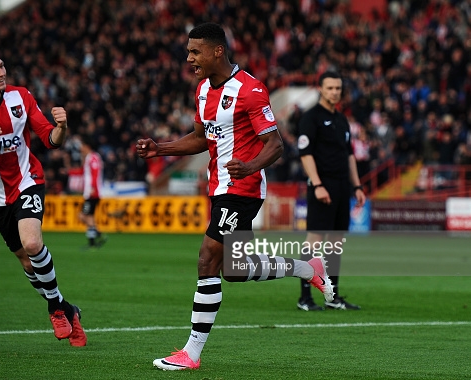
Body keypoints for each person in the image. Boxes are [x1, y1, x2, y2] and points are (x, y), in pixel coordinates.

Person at [136, 22, 334, 371]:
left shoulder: (251, 90)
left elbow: (275, 145)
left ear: (218, 51)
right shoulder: (201, 92)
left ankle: (191, 353)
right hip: (220, 188)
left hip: (241, 189)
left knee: (207, 258)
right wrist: (160, 148)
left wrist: (250, 166)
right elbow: (201, 139)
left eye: (195, 51)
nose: (189, 58)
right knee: (236, 270)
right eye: (188, 51)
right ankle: (307, 268)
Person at [0, 47, 87, 346]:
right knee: (25, 261)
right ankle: (67, 308)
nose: (1, 73)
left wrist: (62, 127)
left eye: (2, 66)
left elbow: (50, 140)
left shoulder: (21, 97)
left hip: (27, 180)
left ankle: (53, 308)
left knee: (32, 243)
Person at [296, 71, 366, 311]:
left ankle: (332, 296)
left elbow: (349, 156)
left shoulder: (342, 120)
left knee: (336, 242)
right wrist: (317, 185)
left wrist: (356, 186)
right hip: (321, 186)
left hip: (341, 187)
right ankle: (305, 297)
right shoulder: (311, 118)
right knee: (313, 242)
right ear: (321, 89)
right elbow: (305, 154)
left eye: (338, 88)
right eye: (330, 88)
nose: (335, 92)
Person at [78, 134, 106, 249]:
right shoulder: (90, 157)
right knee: (90, 217)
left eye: (82, 145)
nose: (81, 148)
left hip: (92, 193)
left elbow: (95, 173)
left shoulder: (93, 157)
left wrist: (93, 188)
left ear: (87, 146)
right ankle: (92, 242)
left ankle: (99, 233)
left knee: (82, 216)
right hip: (91, 192)